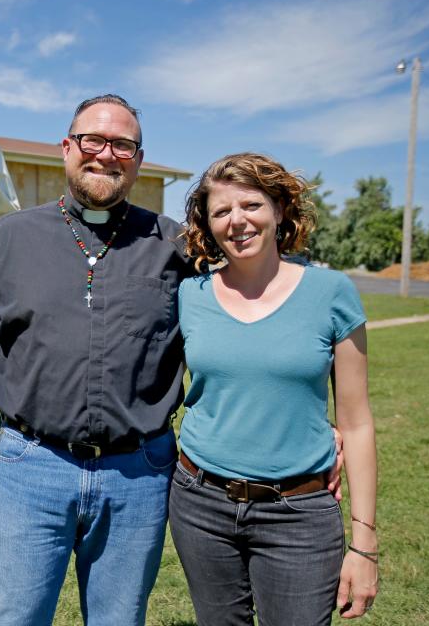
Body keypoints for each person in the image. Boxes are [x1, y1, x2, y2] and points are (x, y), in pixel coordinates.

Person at [0, 94, 192, 625]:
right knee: (13, 617)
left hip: (138, 474)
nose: (106, 154)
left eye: (123, 144)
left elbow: (240, 326)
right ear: (67, 148)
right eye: (93, 140)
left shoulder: (173, 247)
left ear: (138, 159)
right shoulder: (10, 238)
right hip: (32, 466)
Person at [169, 152, 379, 625]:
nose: (237, 221)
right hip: (200, 503)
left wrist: (364, 544)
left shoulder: (332, 293)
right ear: (208, 224)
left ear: (280, 210)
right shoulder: (190, 295)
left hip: (300, 513)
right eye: (221, 211)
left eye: (251, 206)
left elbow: (358, 423)